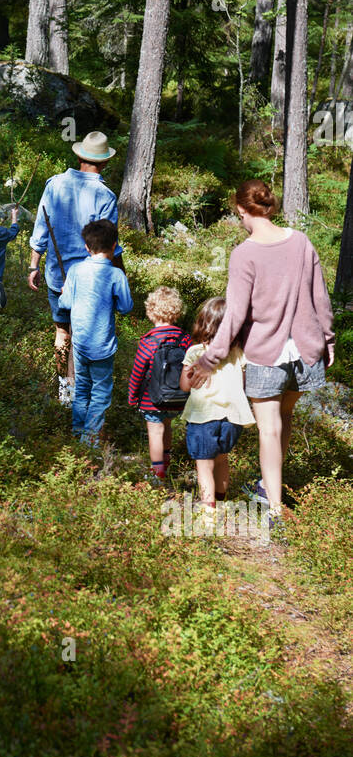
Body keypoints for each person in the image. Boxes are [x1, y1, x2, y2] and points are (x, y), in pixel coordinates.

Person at [188, 179, 335, 532]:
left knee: (269, 430)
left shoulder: (245, 253)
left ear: (241, 210)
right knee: (284, 419)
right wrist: (328, 341)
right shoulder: (301, 242)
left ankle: (274, 510)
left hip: (266, 355)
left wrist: (209, 359)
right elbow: (321, 298)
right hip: (304, 350)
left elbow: (235, 314)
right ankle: (271, 490)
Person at [28, 130, 123, 407]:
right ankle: (83, 397)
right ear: (104, 162)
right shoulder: (105, 195)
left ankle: (65, 394)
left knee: (62, 333)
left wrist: (33, 265)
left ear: (79, 155)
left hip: (58, 276)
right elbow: (109, 246)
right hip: (91, 281)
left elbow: (41, 227)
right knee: (86, 336)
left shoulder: (54, 185)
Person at [179, 296, 256, 530]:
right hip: (233, 417)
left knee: (204, 466)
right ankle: (221, 504)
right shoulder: (238, 353)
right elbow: (242, 383)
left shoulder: (194, 352)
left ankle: (208, 515)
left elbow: (185, 385)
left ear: (203, 323)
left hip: (203, 417)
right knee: (222, 459)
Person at [59, 218, 133, 445]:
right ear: (114, 246)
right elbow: (126, 307)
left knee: (82, 388)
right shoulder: (116, 275)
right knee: (100, 392)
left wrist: (64, 292)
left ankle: (77, 433)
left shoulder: (75, 270)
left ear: (87, 247)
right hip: (103, 344)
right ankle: (89, 440)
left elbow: (65, 303)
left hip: (80, 343)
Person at [128, 286, 192, 482]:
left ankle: (158, 474)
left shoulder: (149, 341)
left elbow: (138, 371)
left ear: (151, 311)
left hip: (152, 399)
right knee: (167, 426)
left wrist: (132, 396)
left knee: (155, 431)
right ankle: (167, 462)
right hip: (178, 397)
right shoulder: (185, 338)